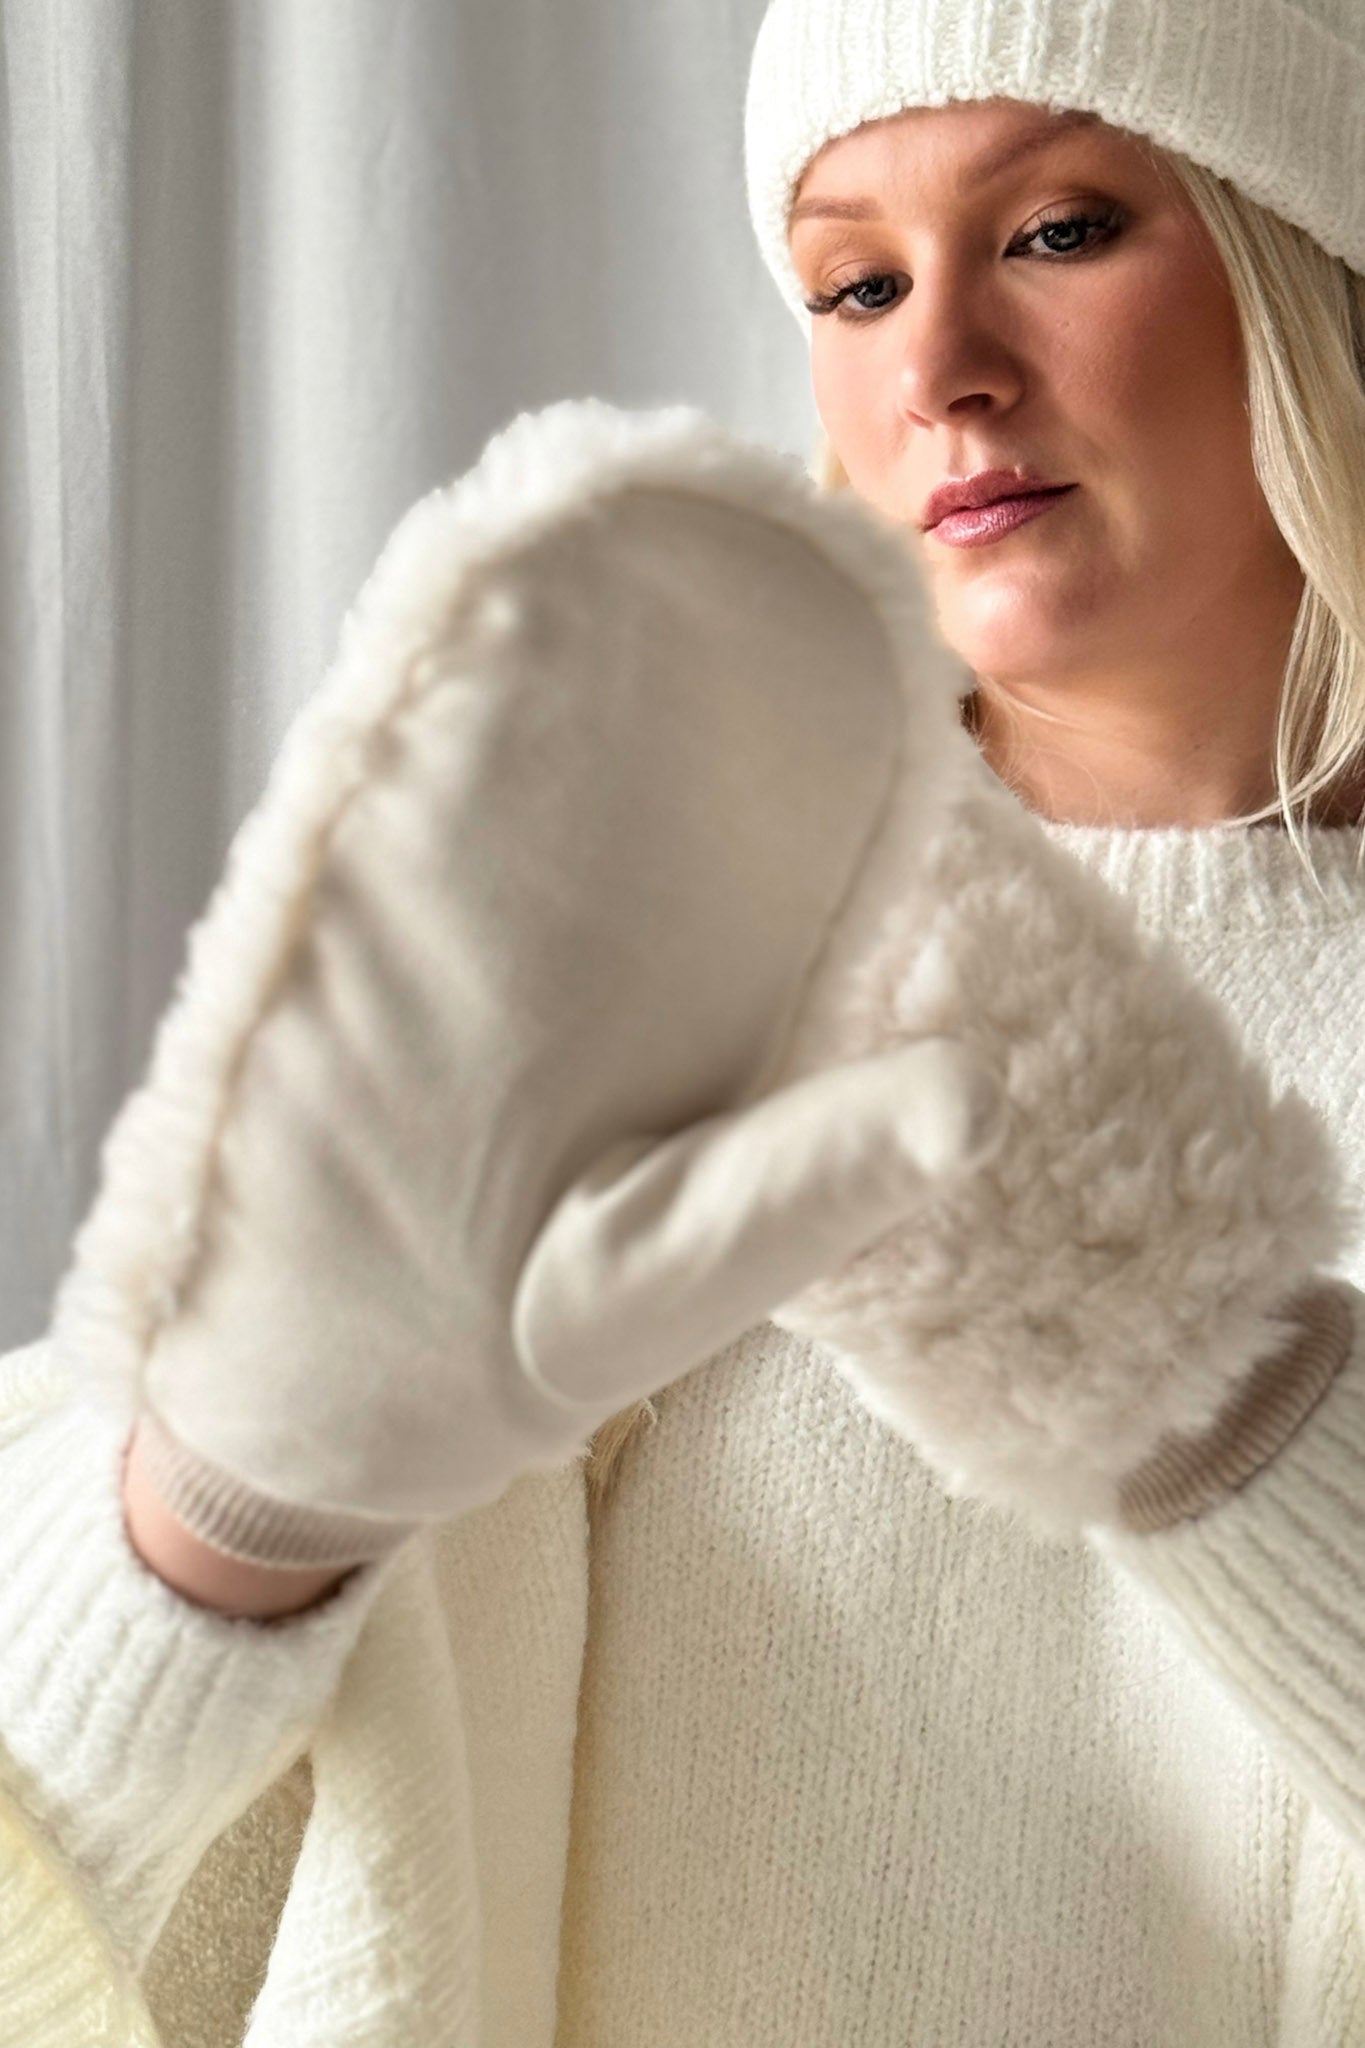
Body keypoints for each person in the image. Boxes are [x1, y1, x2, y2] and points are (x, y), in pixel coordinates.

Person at [2, 1, 1363, 2043]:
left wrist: (1209, 1382)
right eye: (854, 283)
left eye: (1059, 230)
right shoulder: (641, 926)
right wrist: (224, 1516)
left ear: (1303, 255)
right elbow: (59, 1877)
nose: (937, 367)